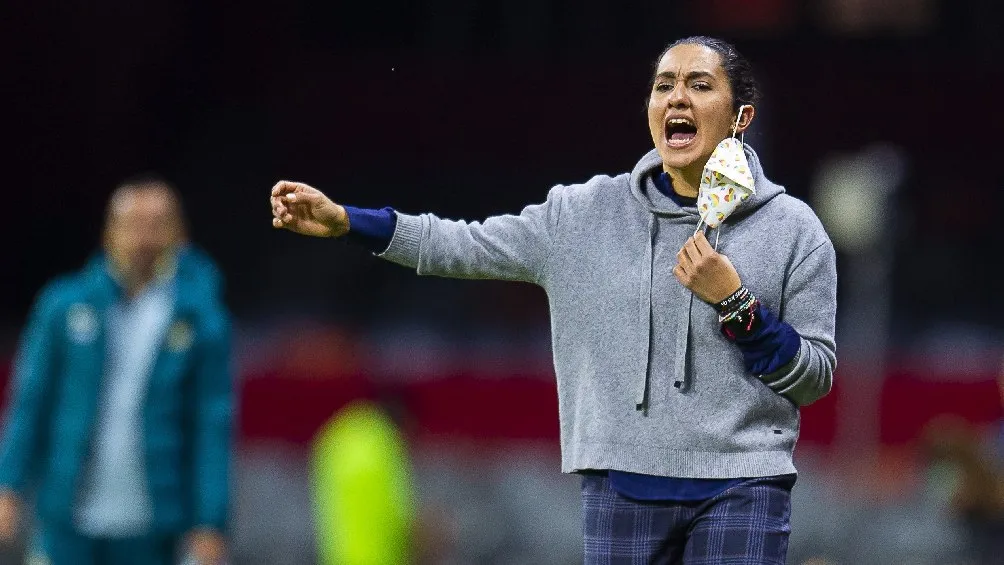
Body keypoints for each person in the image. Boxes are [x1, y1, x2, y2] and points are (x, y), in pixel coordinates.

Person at [270, 36, 836, 564]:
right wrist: (348, 222)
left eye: (699, 84)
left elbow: (814, 378)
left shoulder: (794, 230)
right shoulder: (581, 215)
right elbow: (461, 243)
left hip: (744, 483)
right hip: (621, 484)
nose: (677, 97)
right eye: (663, 85)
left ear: (742, 116)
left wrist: (737, 304)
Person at [0, 176, 233, 565]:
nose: (144, 239)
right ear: (110, 232)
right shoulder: (64, 306)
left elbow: (211, 425)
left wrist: (211, 520)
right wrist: (8, 483)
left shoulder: (200, 318)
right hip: (67, 513)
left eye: (157, 225)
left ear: (180, 234)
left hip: (153, 520)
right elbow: (31, 401)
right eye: (132, 224)